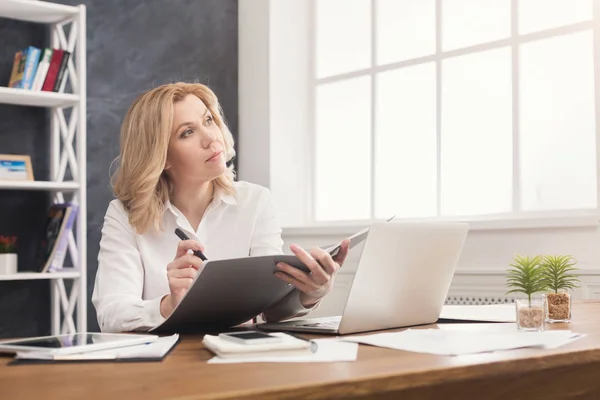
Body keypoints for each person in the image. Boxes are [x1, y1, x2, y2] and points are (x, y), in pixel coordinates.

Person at [92, 82, 350, 333]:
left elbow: (270, 309)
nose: (210, 138)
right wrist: (168, 305)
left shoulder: (256, 201)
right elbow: (112, 314)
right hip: (162, 368)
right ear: (162, 156)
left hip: (238, 362)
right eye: (187, 133)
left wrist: (310, 294)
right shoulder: (124, 215)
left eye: (208, 121)